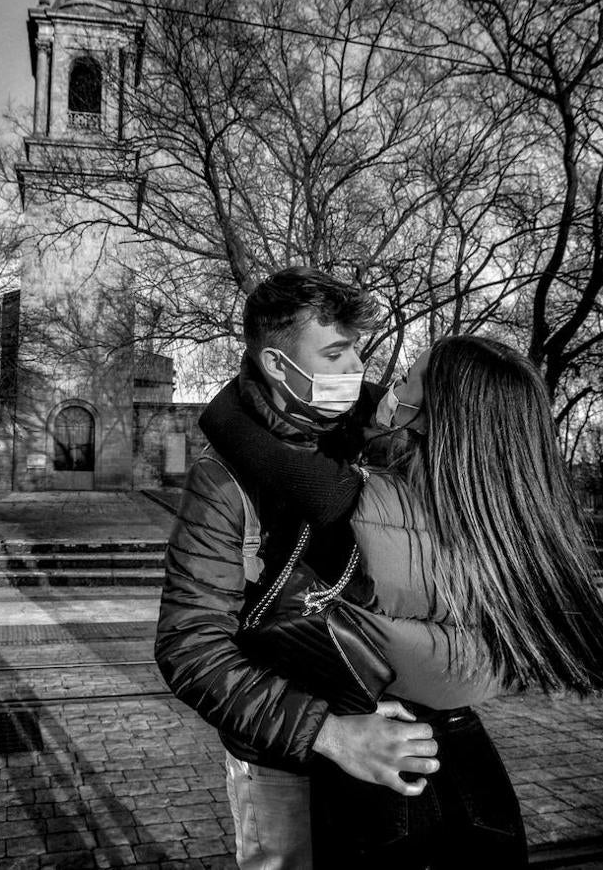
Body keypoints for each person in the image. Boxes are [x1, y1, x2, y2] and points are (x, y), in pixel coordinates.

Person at [201, 334, 603, 867]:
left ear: (434, 409)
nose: (390, 387)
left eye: (409, 376)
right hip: (446, 738)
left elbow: (223, 421)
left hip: (360, 747)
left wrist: (278, 377)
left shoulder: (361, 501)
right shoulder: (520, 524)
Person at [155, 268, 445, 870]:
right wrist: (330, 735)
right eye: (335, 353)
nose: (355, 369)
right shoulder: (223, 479)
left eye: (358, 350)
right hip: (282, 759)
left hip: (393, 736)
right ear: (279, 367)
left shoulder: (376, 436)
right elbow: (190, 645)